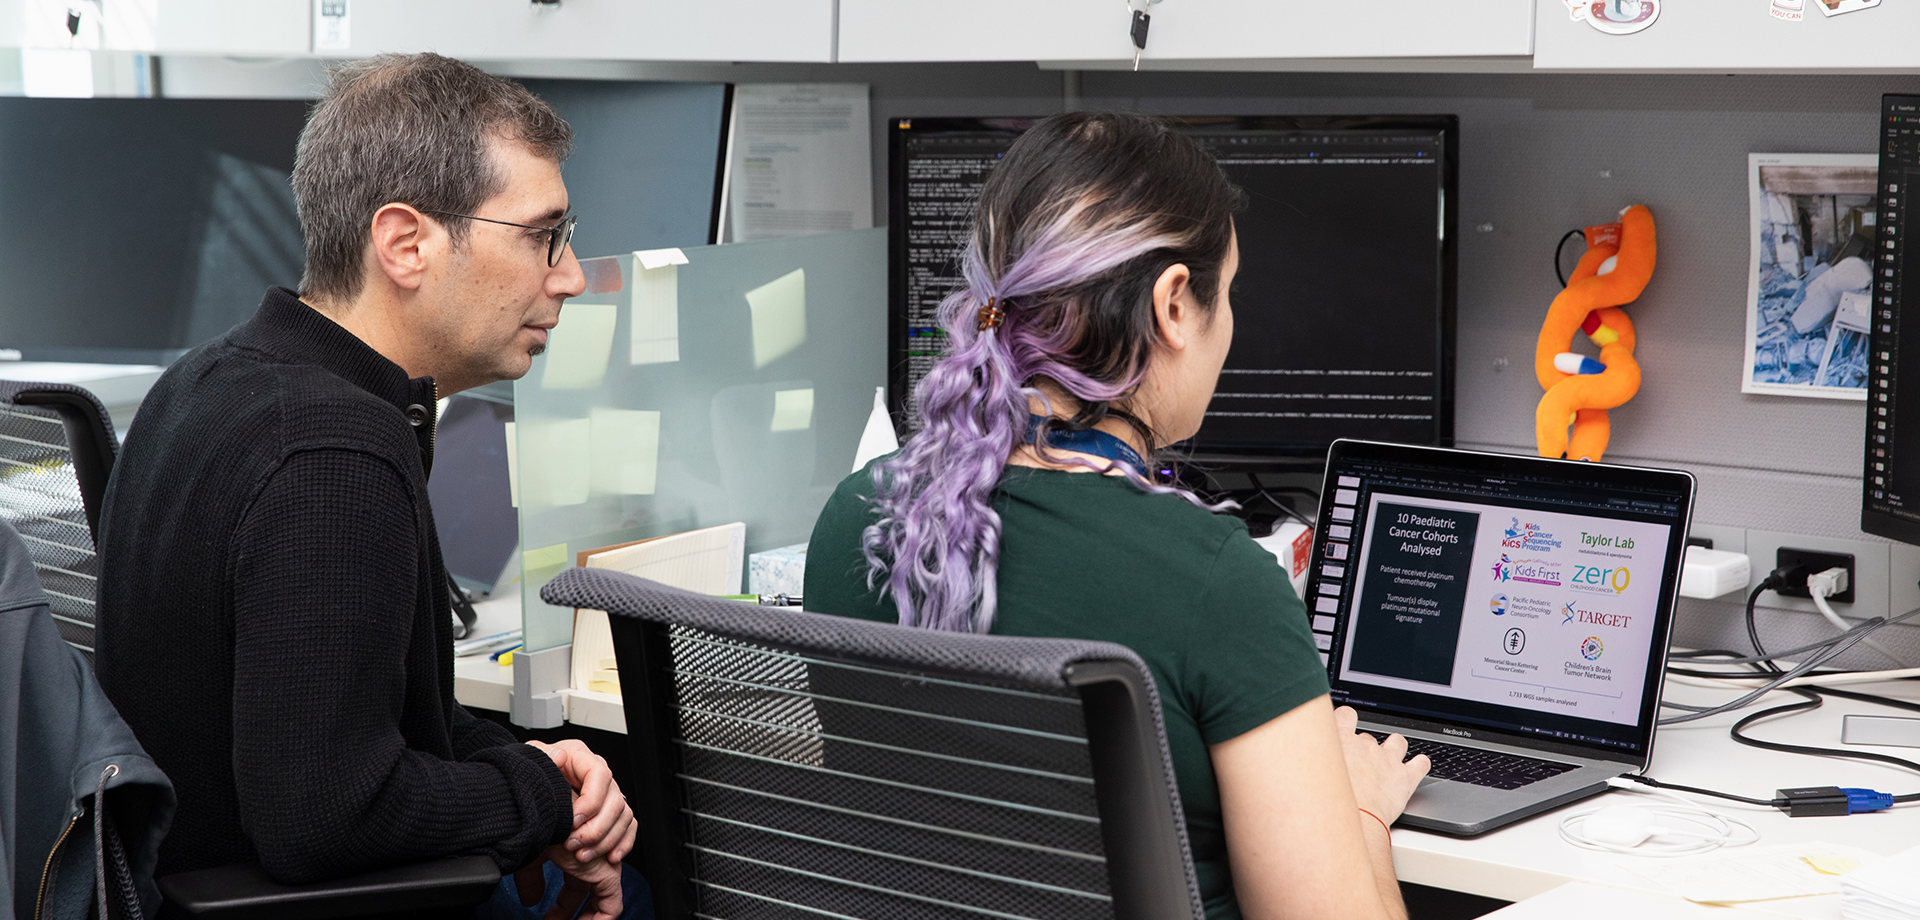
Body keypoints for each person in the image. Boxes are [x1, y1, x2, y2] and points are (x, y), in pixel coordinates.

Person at [804, 112, 1430, 920]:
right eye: (1227, 293)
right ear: (1175, 305)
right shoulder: (1215, 581)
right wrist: (1362, 815)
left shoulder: (859, 515)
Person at [94, 54, 643, 920]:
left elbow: (375, 716)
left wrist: (537, 768)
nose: (569, 275)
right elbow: (327, 814)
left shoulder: (207, 381)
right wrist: (538, 796)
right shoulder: (332, 455)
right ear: (406, 243)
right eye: (544, 234)